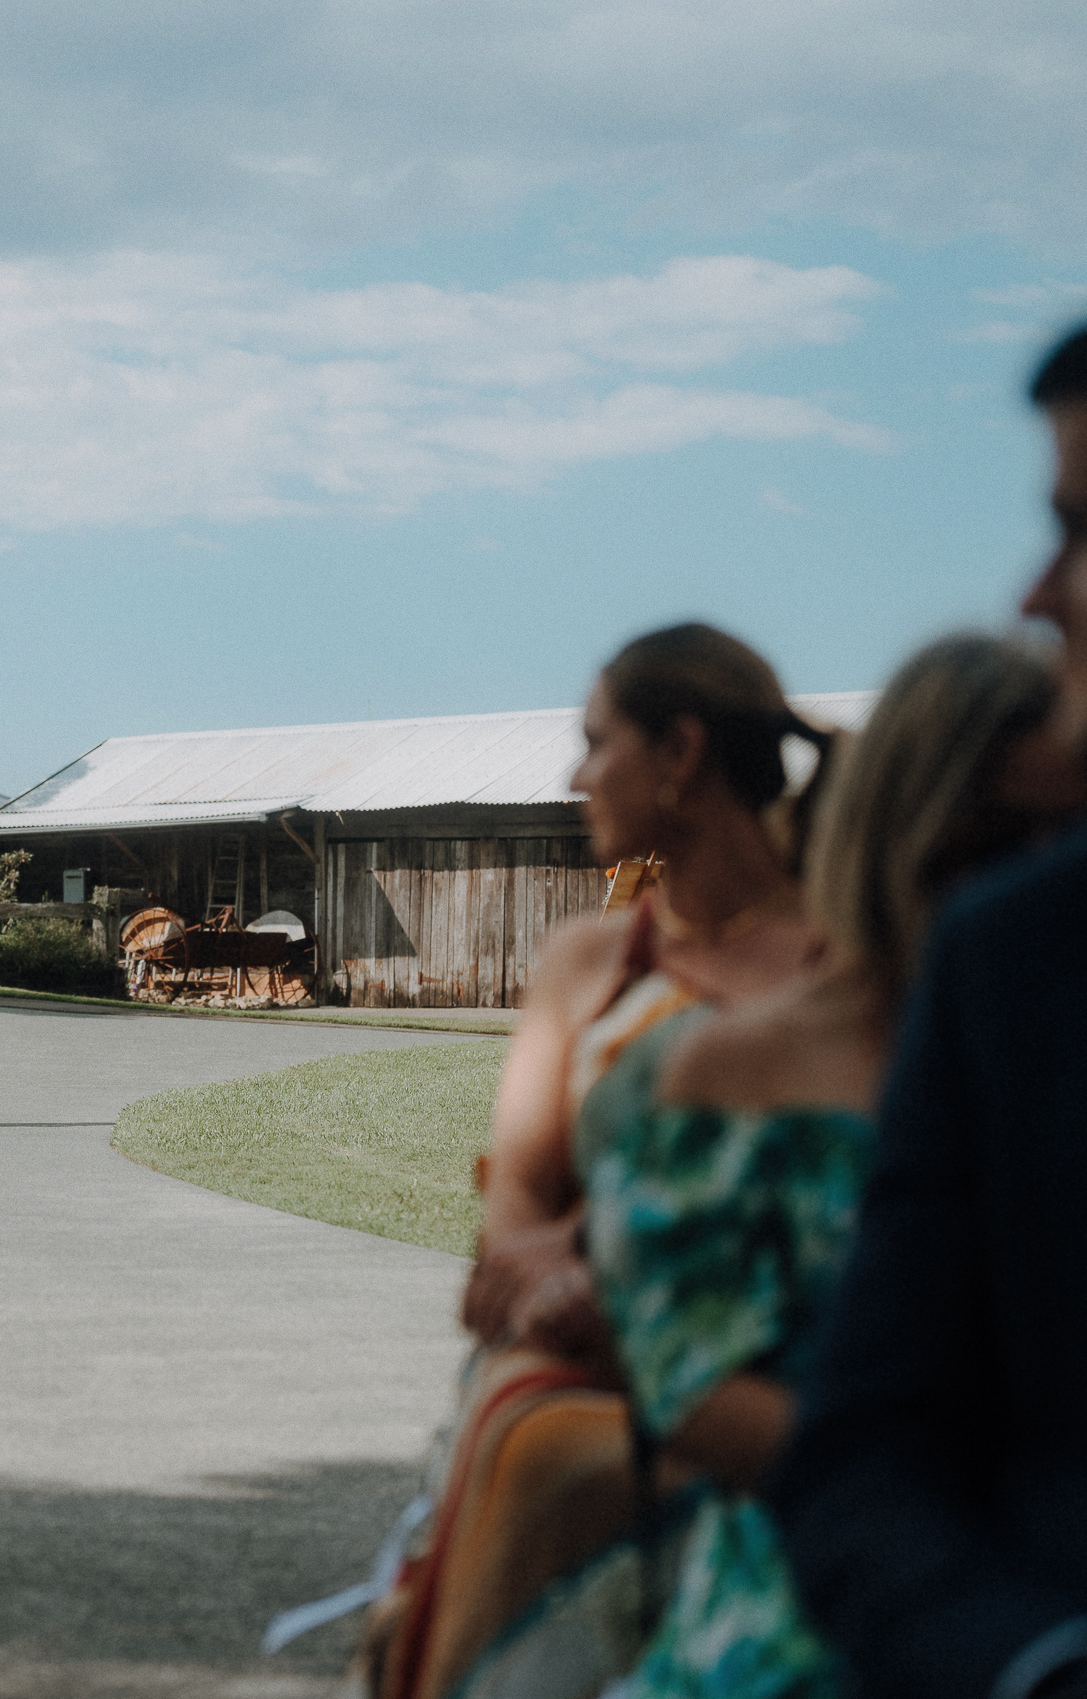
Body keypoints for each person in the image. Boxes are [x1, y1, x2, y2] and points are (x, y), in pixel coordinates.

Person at [775, 253, 1087, 1699]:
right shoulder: (1027, 958)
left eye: (1083, 532)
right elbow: (862, 1464)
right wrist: (1076, 1678)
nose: (1036, 592)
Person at [571, 634, 1087, 1697]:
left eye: (1081, 841)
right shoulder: (716, 1073)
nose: (1042, 882)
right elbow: (694, 1389)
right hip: (810, 1598)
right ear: (901, 826)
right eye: (996, 839)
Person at [365, 623, 829, 1699]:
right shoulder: (590, 962)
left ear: (680, 753)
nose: (574, 776)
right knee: (531, 1454)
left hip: (779, 1353)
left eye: (594, 741)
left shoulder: (844, 953)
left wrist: (617, 1261)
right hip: (579, 1334)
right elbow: (516, 1199)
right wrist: (561, 1271)